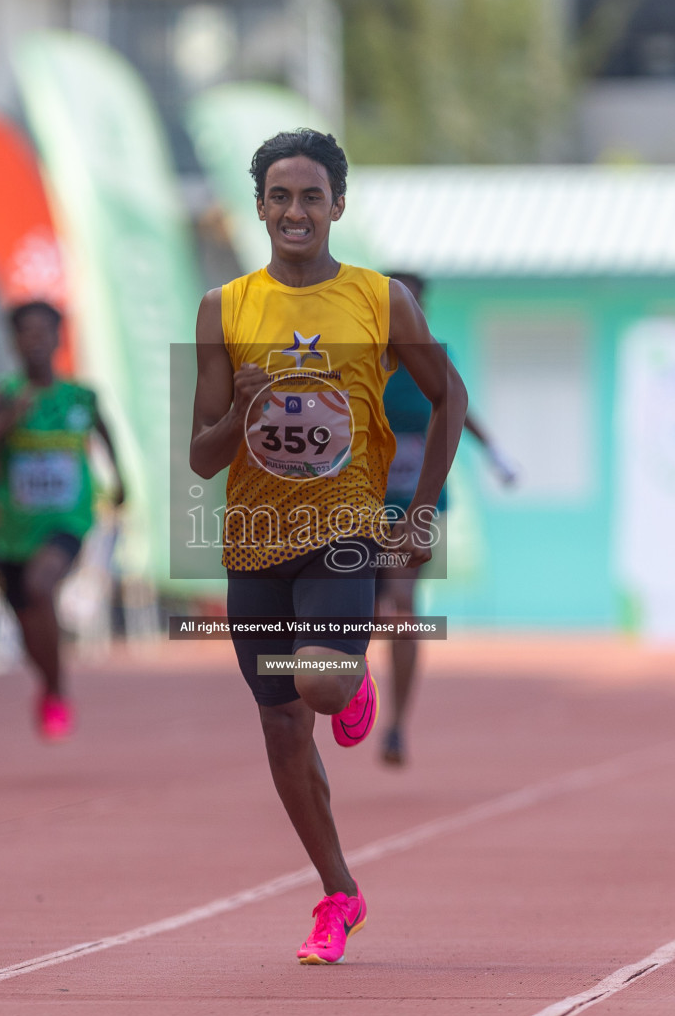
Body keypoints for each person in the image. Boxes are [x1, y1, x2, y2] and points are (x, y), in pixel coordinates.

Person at [189, 129, 467, 965]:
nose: (295, 211)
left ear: (338, 205)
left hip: (346, 526)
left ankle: (350, 690)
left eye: (312, 196)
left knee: (320, 682)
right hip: (255, 540)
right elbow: (202, 455)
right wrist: (240, 413)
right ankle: (338, 893)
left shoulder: (381, 300)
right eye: (280, 196)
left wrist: (417, 515)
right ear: (260, 206)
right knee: (281, 734)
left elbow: (448, 396)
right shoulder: (225, 308)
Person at [0, 300, 125, 739]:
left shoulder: (80, 397)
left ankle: (57, 688)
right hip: (14, 529)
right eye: (25, 332)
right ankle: (51, 684)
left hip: (68, 519)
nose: (35, 340)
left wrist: (121, 480)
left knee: (40, 586)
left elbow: (104, 432)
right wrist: (7, 421)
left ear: (58, 337)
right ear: (13, 341)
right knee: (26, 618)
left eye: (43, 331)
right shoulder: (2, 395)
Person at [375, 271, 518, 767]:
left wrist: (494, 453)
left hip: (414, 501)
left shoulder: (435, 356)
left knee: (401, 604)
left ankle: (394, 725)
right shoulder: (355, 352)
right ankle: (348, 683)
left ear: (422, 309)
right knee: (357, 609)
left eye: (409, 303)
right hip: (354, 499)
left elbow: (457, 405)